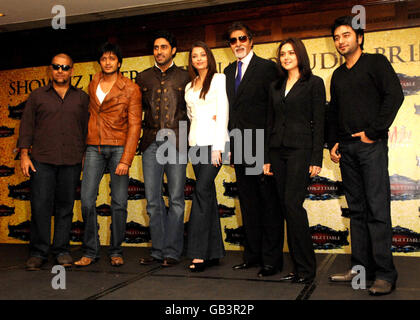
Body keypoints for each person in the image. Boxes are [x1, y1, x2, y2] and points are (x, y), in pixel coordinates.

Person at [327, 16, 404, 295]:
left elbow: (394, 95)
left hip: (371, 147)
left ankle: (385, 274)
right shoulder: (337, 75)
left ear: (359, 37)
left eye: (346, 35)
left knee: (377, 210)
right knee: (357, 211)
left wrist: (373, 131)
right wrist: (333, 141)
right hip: (346, 149)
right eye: (336, 37)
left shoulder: (375, 63)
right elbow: (333, 112)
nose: (341, 41)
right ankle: (360, 269)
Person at [17, 53, 89, 270]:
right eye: (56, 67)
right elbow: (26, 126)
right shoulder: (37, 96)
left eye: (65, 67)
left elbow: (87, 129)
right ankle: (38, 252)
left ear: (72, 71)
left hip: (71, 159)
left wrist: (86, 156)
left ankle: (62, 250)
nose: (60, 71)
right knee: (40, 206)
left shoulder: (82, 97)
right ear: (51, 69)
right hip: (42, 160)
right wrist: (24, 155)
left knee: (65, 207)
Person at [264, 38, 325, 283]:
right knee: (284, 207)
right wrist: (266, 157)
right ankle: (297, 266)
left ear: (300, 54)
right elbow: (269, 122)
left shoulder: (314, 83)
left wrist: (316, 157)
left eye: (290, 52)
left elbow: (319, 122)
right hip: (277, 152)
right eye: (282, 54)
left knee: (293, 205)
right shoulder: (275, 86)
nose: (286, 57)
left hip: (301, 150)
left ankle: (307, 269)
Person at [74, 42, 142, 267]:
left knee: (119, 202)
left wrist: (126, 159)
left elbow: (134, 125)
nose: (108, 62)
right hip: (94, 146)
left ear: (119, 63)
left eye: (112, 58)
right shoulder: (92, 83)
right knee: (86, 200)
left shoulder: (131, 88)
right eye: (104, 59)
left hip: (119, 148)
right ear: (100, 62)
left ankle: (116, 250)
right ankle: (90, 251)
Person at [224, 22, 282, 277]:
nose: (238, 43)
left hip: (262, 145)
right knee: (248, 204)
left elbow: (275, 110)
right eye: (233, 40)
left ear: (251, 40)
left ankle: (272, 261)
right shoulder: (226, 72)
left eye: (242, 38)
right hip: (239, 146)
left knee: (269, 205)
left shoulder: (268, 68)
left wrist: (269, 151)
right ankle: (253, 255)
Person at [136, 31, 190, 267]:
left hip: (177, 142)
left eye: (164, 47)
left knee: (177, 199)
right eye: (156, 47)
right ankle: (157, 251)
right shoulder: (143, 78)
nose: (159, 51)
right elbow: (135, 113)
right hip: (150, 143)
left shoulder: (186, 77)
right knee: (152, 200)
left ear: (174, 50)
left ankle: (172, 252)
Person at [184, 41, 229, 272]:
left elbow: (222, 113)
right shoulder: (189, 86)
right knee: (207, 194)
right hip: (195, 145)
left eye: (202, 55)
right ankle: (214, 253)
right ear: (191, 60)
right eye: (194, 56)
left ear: (209, 57)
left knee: (200, 191)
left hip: (215, 145)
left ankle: (198, 253)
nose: (199, 59)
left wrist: (218, 147)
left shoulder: (219, 79)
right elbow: (192, 116)